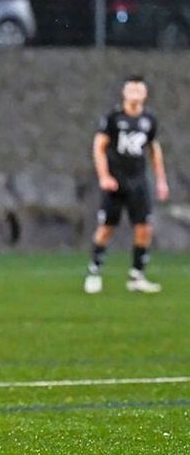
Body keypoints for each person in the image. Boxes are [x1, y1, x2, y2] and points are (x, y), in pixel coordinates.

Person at [84, 75, 169, 294]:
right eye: (131, 89)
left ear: (145, 93)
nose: (135, 94)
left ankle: (136, 276)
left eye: (139, 90)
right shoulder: (113, 118)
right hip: (115, 181)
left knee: (144, 228)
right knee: (106, 227)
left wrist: (161, 180)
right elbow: (99, 147)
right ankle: (94, 271)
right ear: (124, 92)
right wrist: (104, 176)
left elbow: (153, 149)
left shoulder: (149, 119)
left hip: (138, 181)